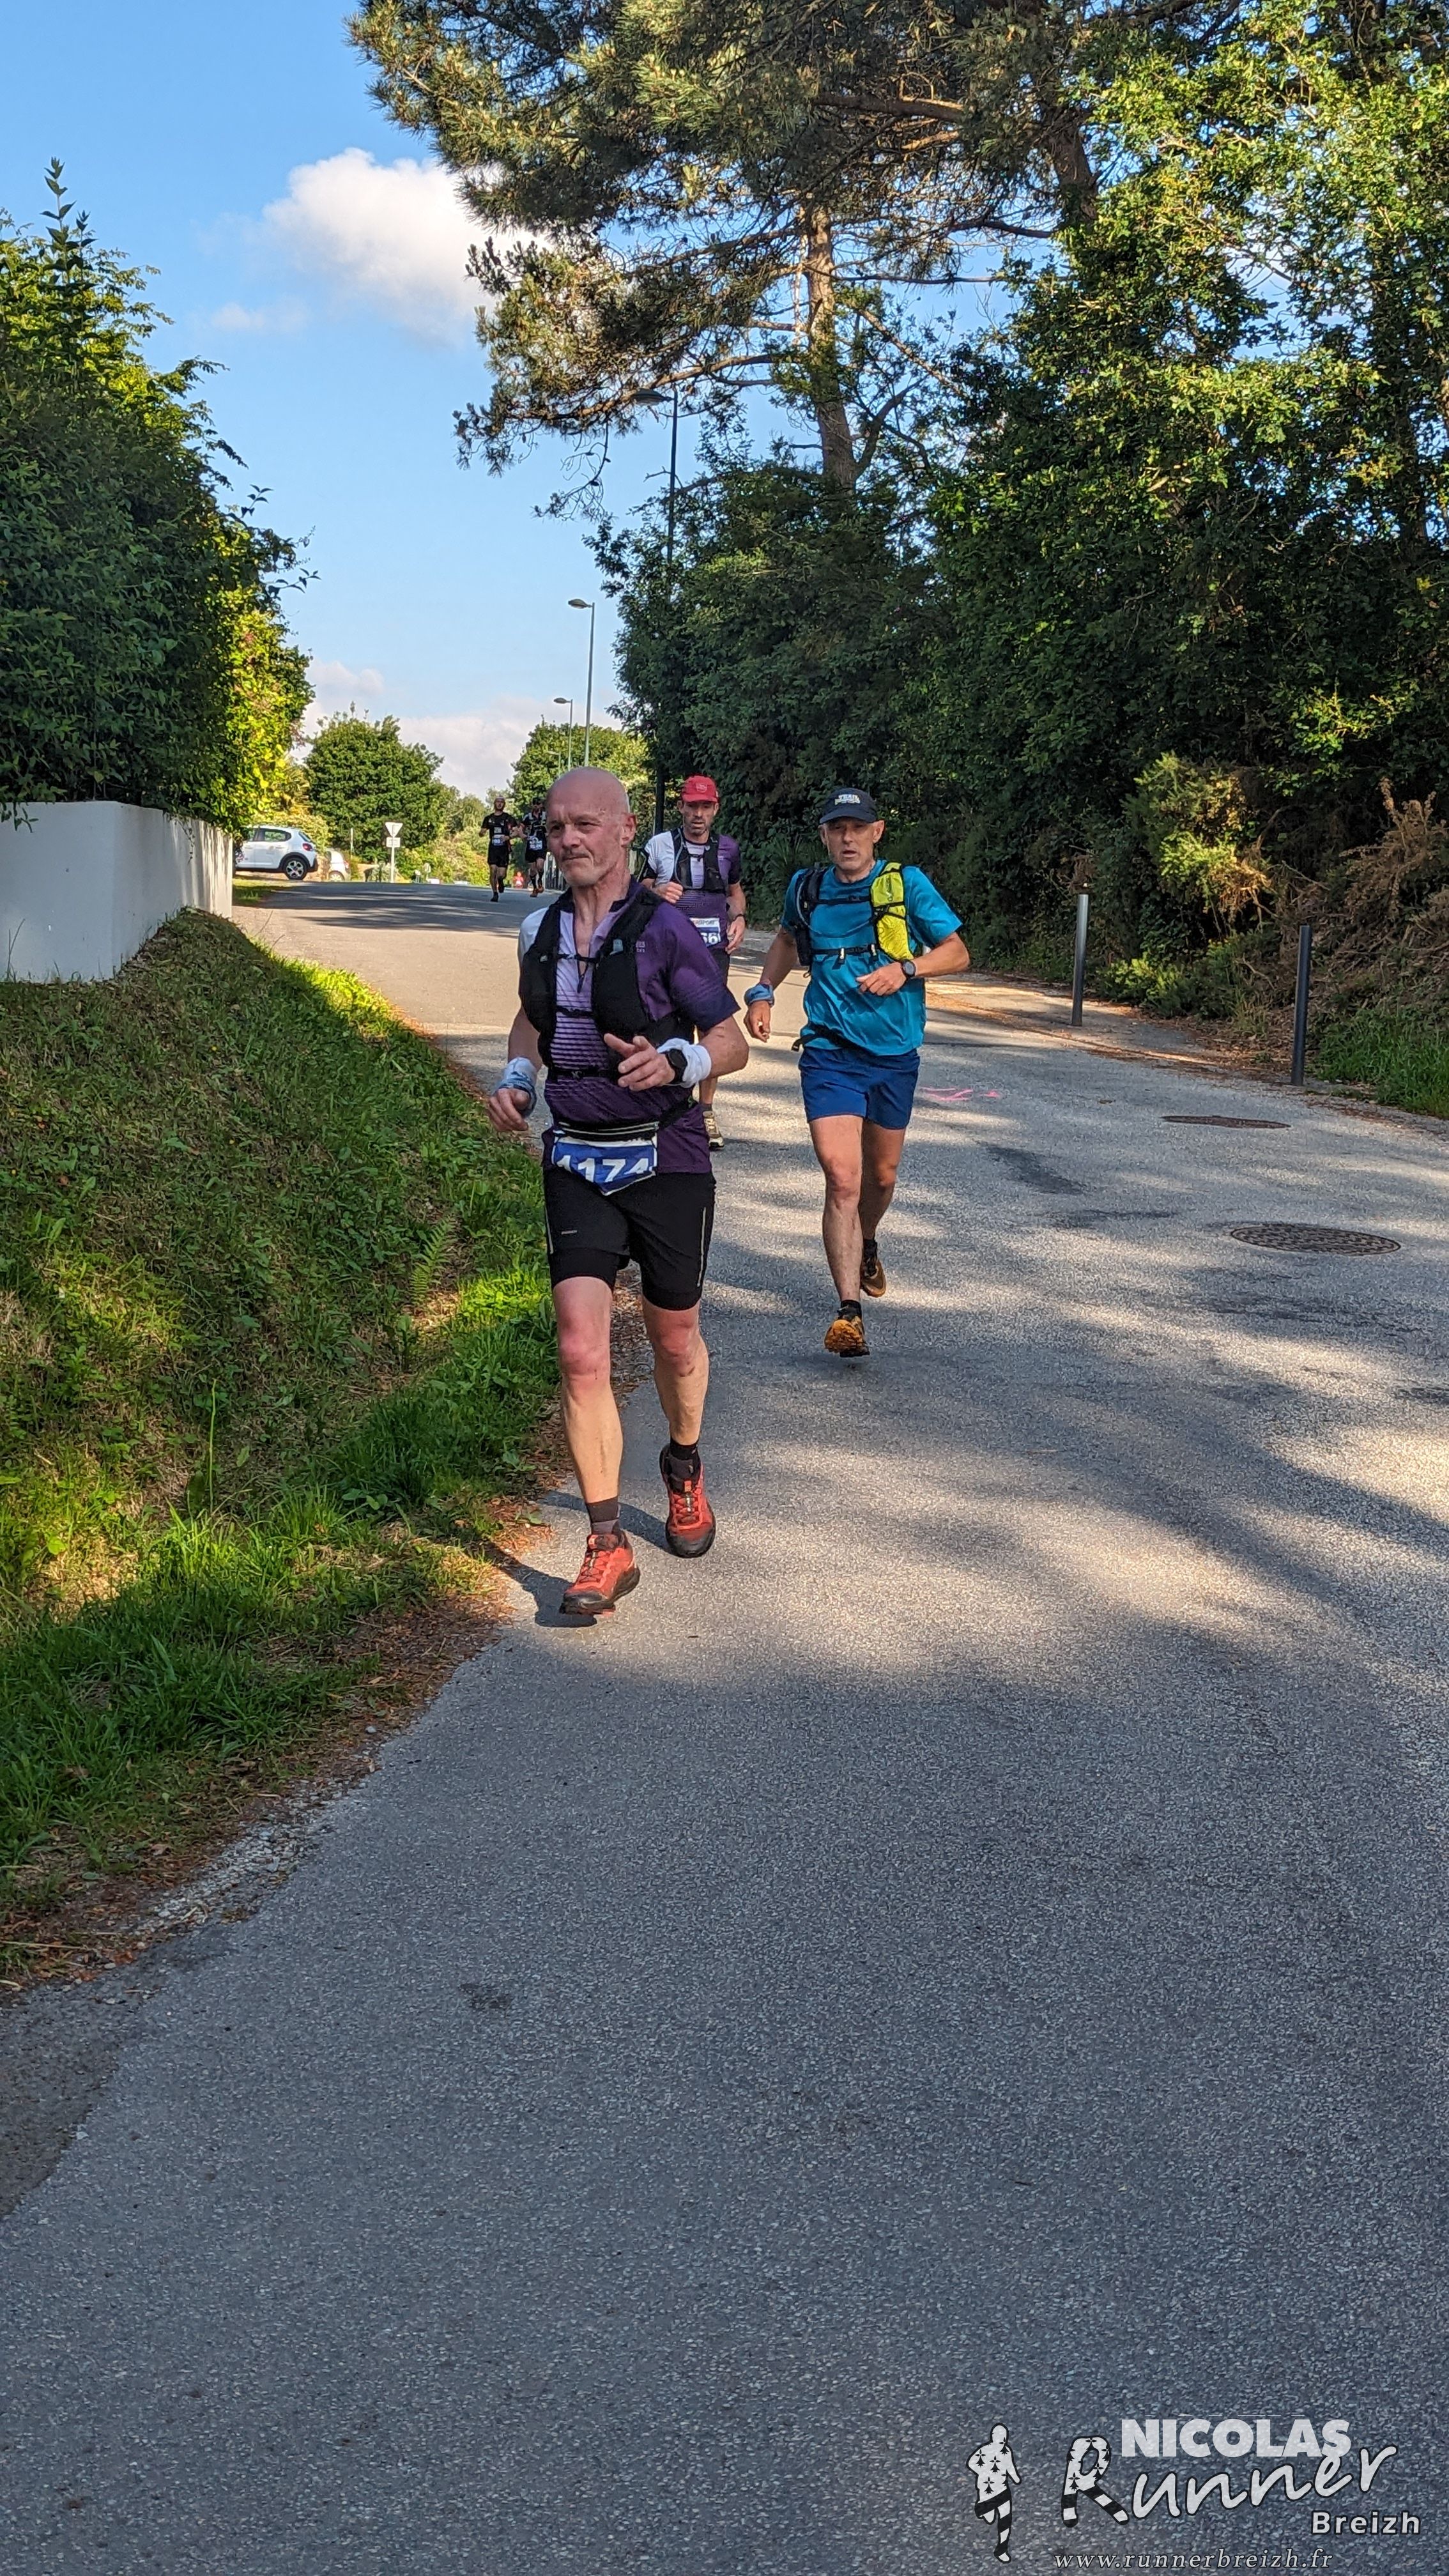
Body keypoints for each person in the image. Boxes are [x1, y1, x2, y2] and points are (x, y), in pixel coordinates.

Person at [486, 769, 748, 1618]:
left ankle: (683, 1463)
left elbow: (730, 1040)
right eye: (558, 825)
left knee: (674, 1339)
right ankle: (606, 1543)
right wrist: (519, 1075)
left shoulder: (666, 930)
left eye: (586, 824)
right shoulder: (539, 929)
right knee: (580, 1351)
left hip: (667, 1156)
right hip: (576, 1157)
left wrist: (680, 1061)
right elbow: (533, 1018)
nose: (569, 839)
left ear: (627, 830)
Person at [743, 787, 969, 1358]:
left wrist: (906, 969)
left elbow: (958, 952)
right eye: (837, 828)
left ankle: (867, 1240)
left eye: (858, 828)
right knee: (843, 1178)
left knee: (882, 1178)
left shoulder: (906, 885)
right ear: (824, 835)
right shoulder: (808, 888)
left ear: (877, 831)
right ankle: (849, 1312)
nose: (848, 838)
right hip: (829, 1051)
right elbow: (788, 939)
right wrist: (763, 991)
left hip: (893, 1054)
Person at [640, 775, 746, 1149]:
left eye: (705, 807)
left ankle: (705, 1110)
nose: (698, 814)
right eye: (692, 806)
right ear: (681, 807)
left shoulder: (728, 849)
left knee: (712, 1028)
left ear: (716, 808)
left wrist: (739, 918)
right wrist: (656, 891)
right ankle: (664, 1107)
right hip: (667, 949)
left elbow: (735, 893)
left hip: (712, 950)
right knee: (665, 1022)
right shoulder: (660, 845)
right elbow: (635, 890)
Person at [486, 797, 518, 900]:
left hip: (504, 850)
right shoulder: (489, 818)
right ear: (494, 804)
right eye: (498, 802)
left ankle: (500, 881)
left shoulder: (509, 818)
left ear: (504, 805)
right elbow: (482, 831)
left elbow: (516, 831)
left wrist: (509, 837)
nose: (499, 804)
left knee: (501, 875)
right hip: (493, 849)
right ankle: (495, 893)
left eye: (502, 802)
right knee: (493, 870)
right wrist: (482, 832)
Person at [522, 800, 548, 894]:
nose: (536, 806)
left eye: (538, 804)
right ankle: (535, 888)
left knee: (540, 866)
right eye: (534, 804)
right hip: (531, 844)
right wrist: (523, 836)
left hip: (542, 843)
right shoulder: (528, 817)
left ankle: (540, 880)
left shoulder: (546, 816)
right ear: (532, 805)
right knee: (533, 869)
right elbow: (520, 828)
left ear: (541, 805)